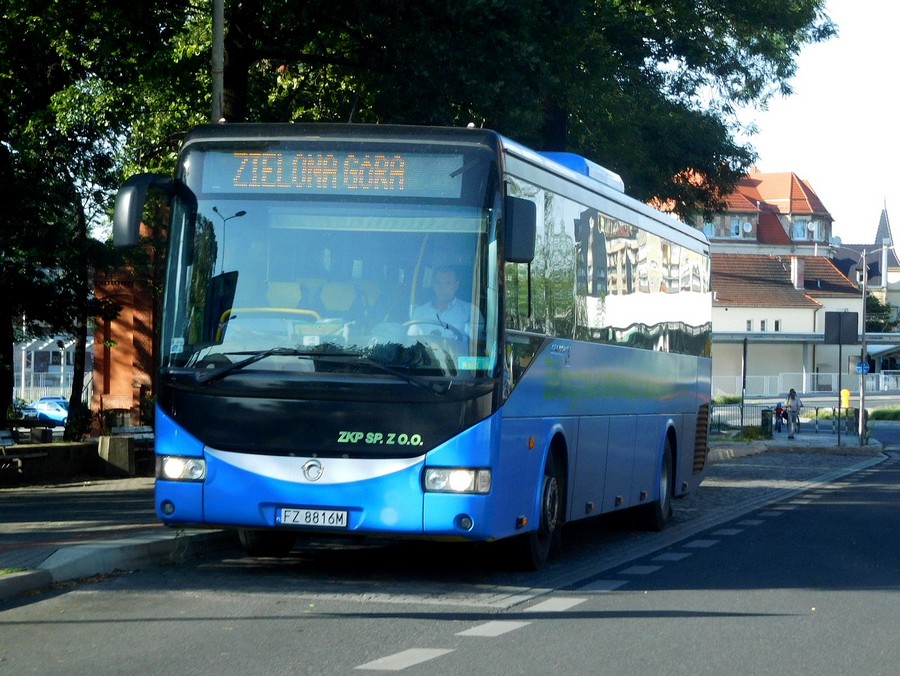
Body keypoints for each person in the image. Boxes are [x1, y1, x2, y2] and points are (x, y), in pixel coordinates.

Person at [408, 266, 482, 341]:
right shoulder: (420, 312)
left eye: (448, 283)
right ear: (433, 285)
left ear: (456, 286)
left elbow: (477, 344)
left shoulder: (470, 311)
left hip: (458, 352)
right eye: (438, 283)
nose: (442, 288)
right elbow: (410, 342)